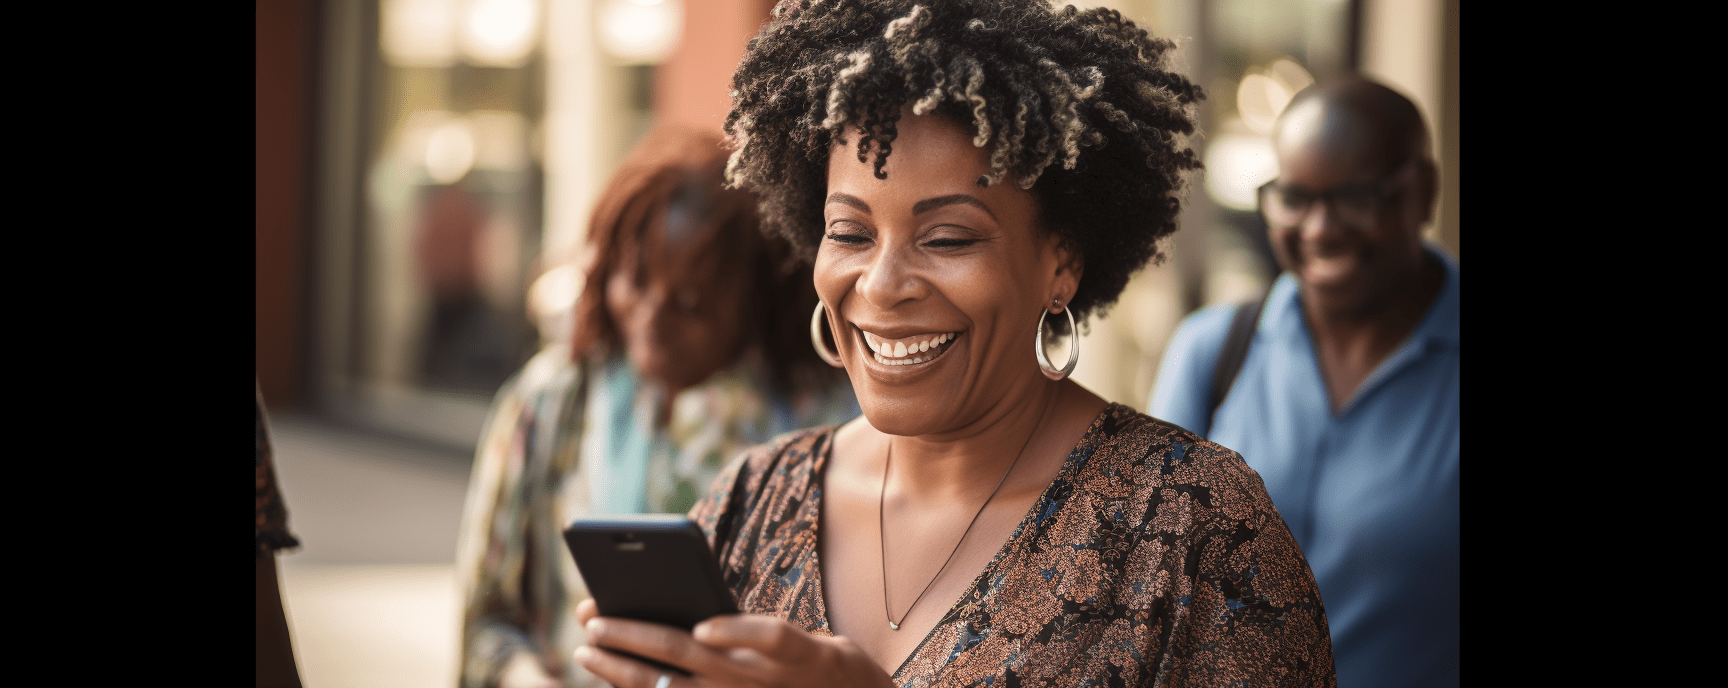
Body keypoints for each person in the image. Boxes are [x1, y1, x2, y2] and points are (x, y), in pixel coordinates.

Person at [570, 3, 1336, 687]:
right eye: (850, 233)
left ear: (1061, 262)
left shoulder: (1194, 531)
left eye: (947, 237)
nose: (880, 284)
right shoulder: (752, 504)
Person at [455, 125, 861, 688]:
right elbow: (487, 619)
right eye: (634, 278)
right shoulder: (551, 402)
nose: (651, 317)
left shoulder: (828, 423)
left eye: (690, 302)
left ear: (755, 297)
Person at [1148, 76, 1458, 686]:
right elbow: (1152, 576)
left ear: (1422, 193)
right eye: (1293, 197)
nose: (1318, 229)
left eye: (1354, 199)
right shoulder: (1212, 352)